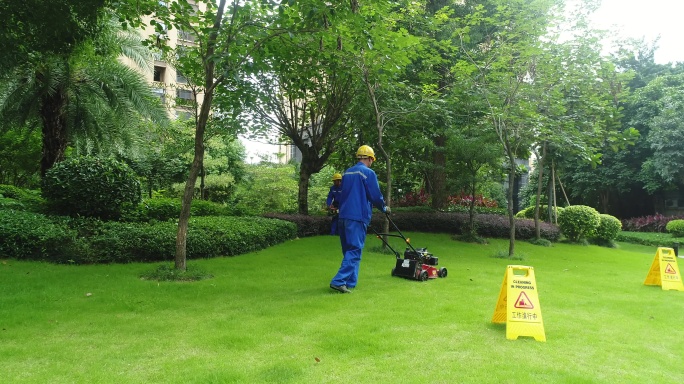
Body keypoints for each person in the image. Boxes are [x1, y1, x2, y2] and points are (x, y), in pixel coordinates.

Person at [330, 145, 389, 293]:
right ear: (369, 158)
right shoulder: (368, 173)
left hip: (343, 216)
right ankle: (339, 281)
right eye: (372, 160)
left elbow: (342, 195)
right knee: (355, 250)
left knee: (349, 251)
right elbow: (375, 195)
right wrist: (384, 208)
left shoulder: (347, 173)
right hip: (357, 217)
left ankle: (350, 283)